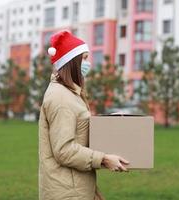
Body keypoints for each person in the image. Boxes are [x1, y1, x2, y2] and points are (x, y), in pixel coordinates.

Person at [38, 31, 129, 200]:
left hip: (74, 186)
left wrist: (107, 122)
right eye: (85, 58)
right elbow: (64, 150)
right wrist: (103, 159)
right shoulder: (61, 98)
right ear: (72, 62)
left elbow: (77, 126)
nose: (88, 63)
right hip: (67, 192)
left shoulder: (69, 93)